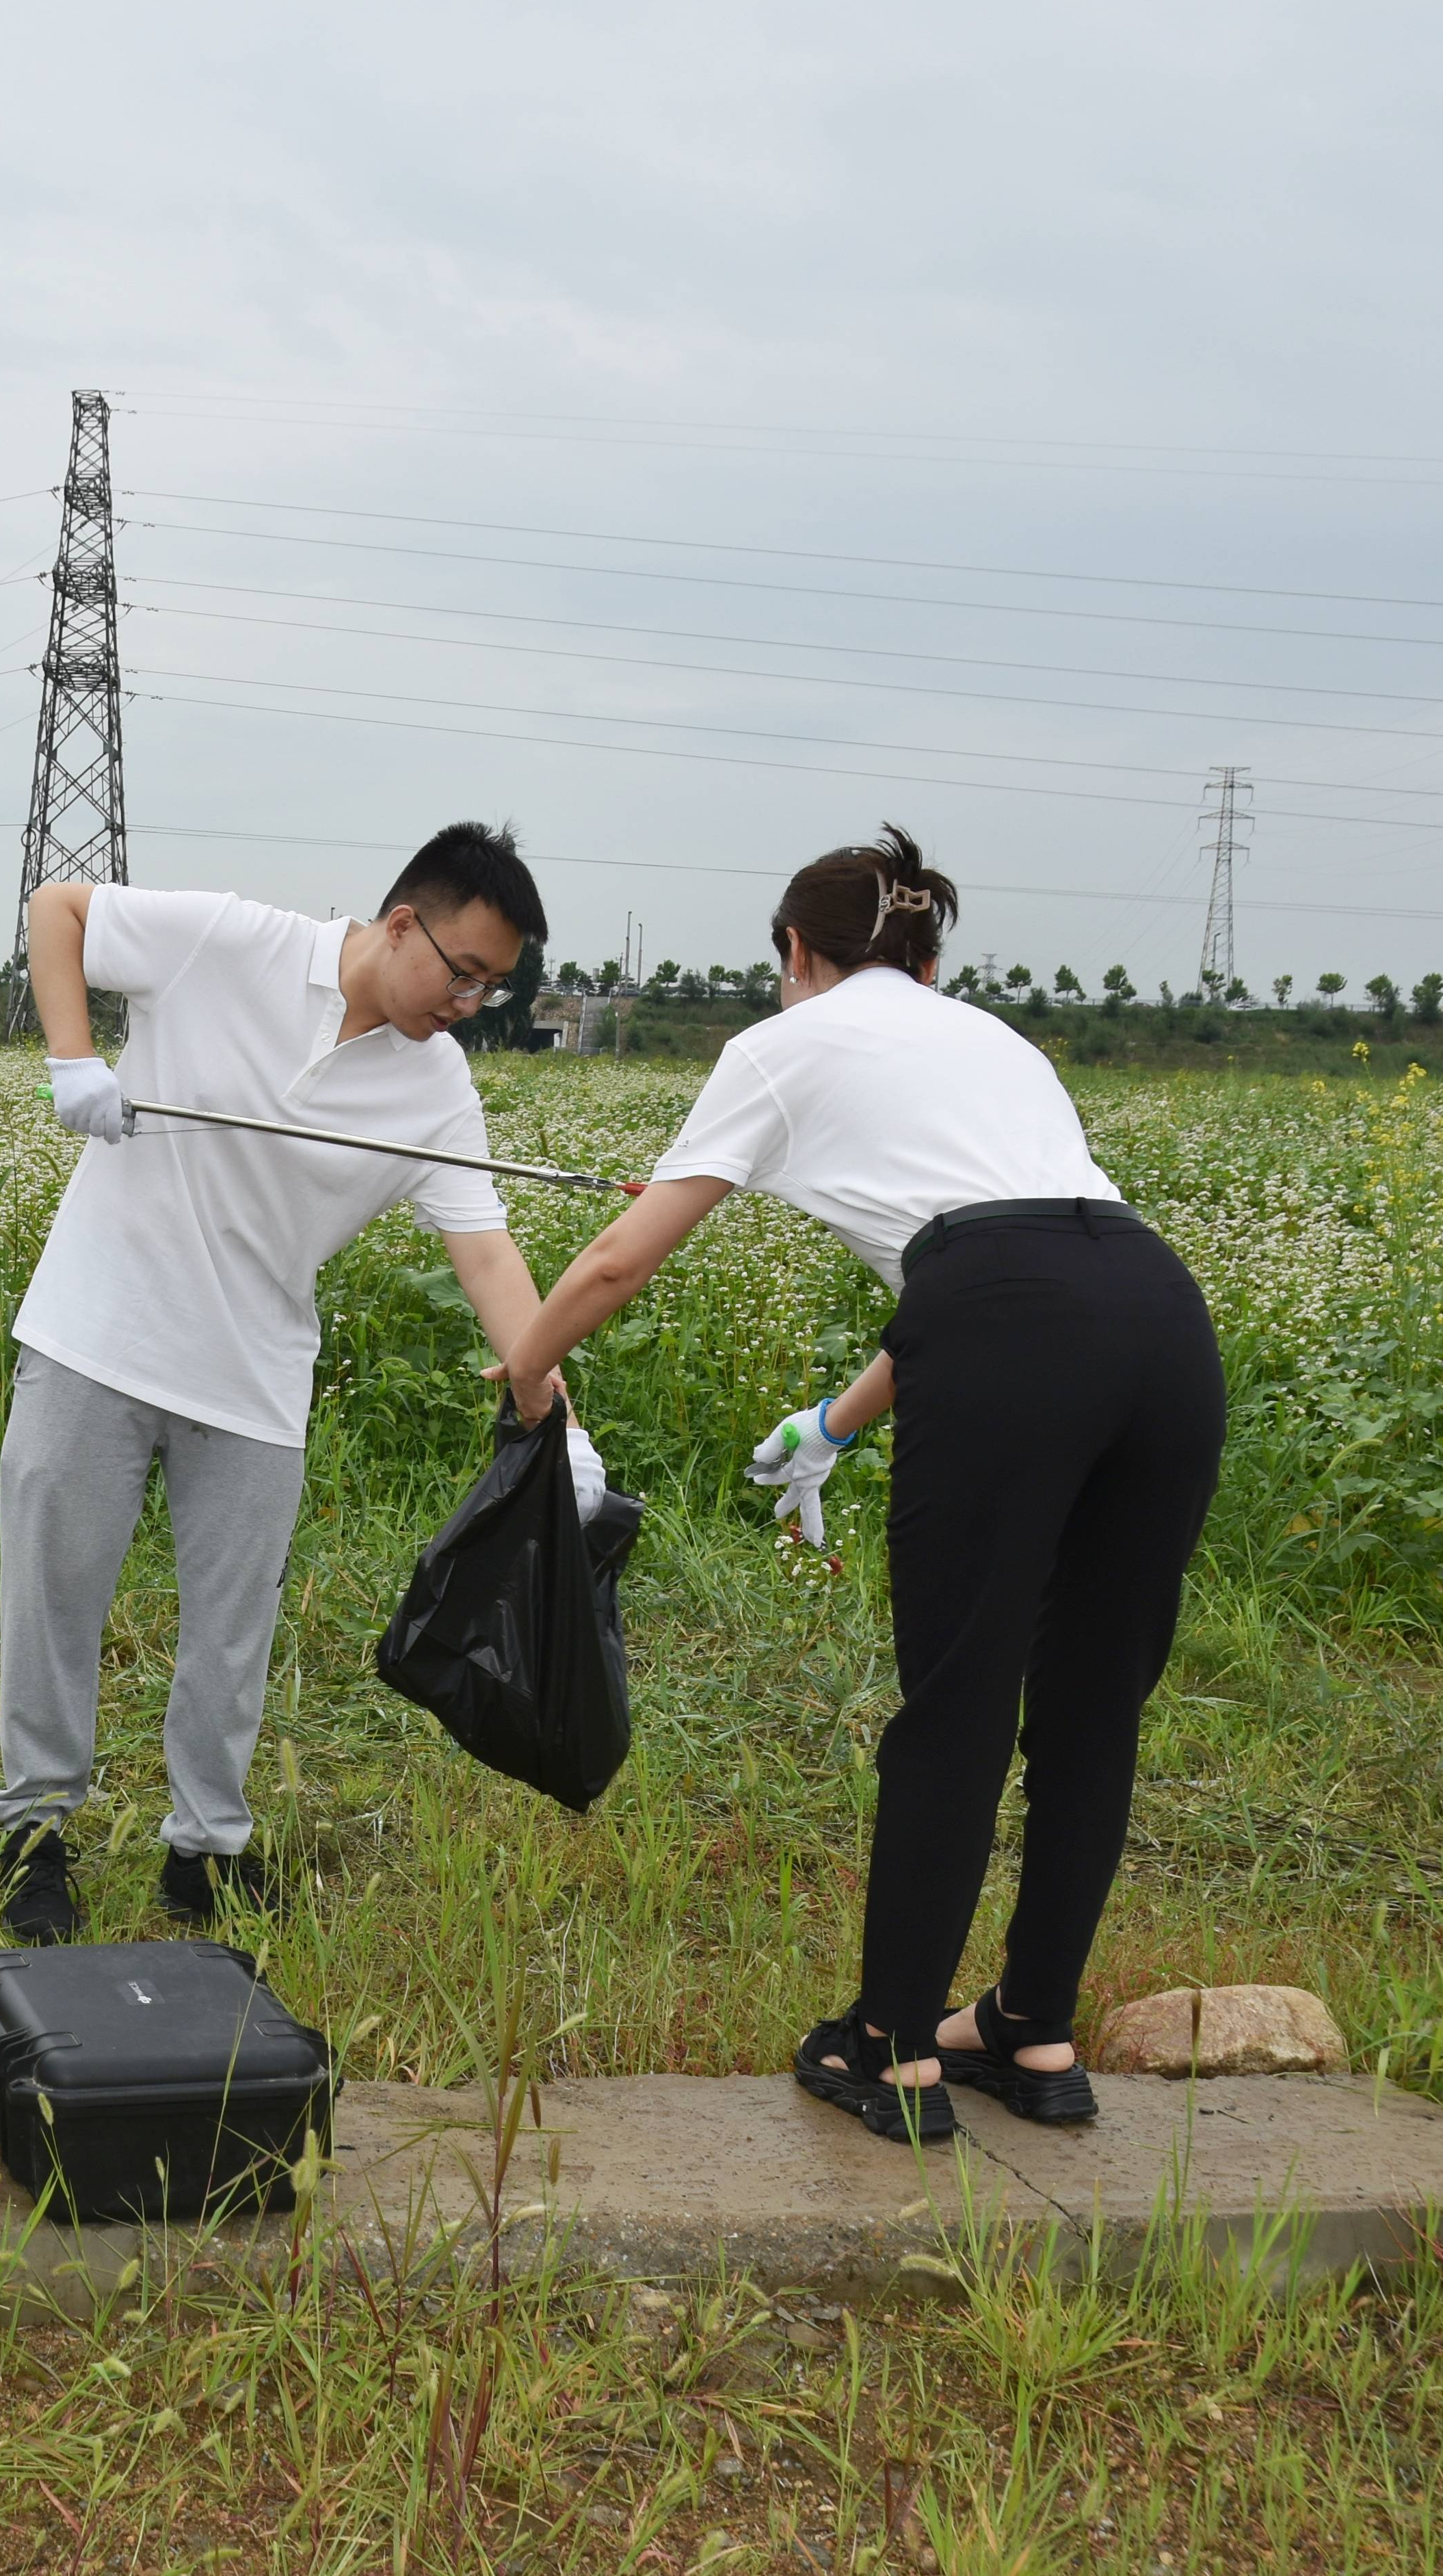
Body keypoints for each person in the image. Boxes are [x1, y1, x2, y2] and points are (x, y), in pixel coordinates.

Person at [495, 827, 1223, 2143]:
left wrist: (526, 1375)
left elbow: (618, 1258)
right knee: (1092, 1703)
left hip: (1007, 1326)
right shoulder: (996, 1043)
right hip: (1164, 1322)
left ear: (795, 951)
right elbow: (1009, 1254)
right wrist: (833, 1423)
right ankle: (1033, 2034)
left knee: (957, 1701)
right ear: (926, 957)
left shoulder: (781, 1046)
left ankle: (889, 2049)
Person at [0, 823, 561, 1941]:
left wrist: (551, 1401)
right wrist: (72, 1060)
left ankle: (204, 1853)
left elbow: (486, 1252)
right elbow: (57, 909)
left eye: (491, 989)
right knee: (55, 1600)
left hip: (252, 1376)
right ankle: (34, 1836)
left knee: (231, 1632)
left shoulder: (437, 1087)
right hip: (95, 1336)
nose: (470, 1004)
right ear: (404, 925)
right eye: (464, 973)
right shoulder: (229, 942)